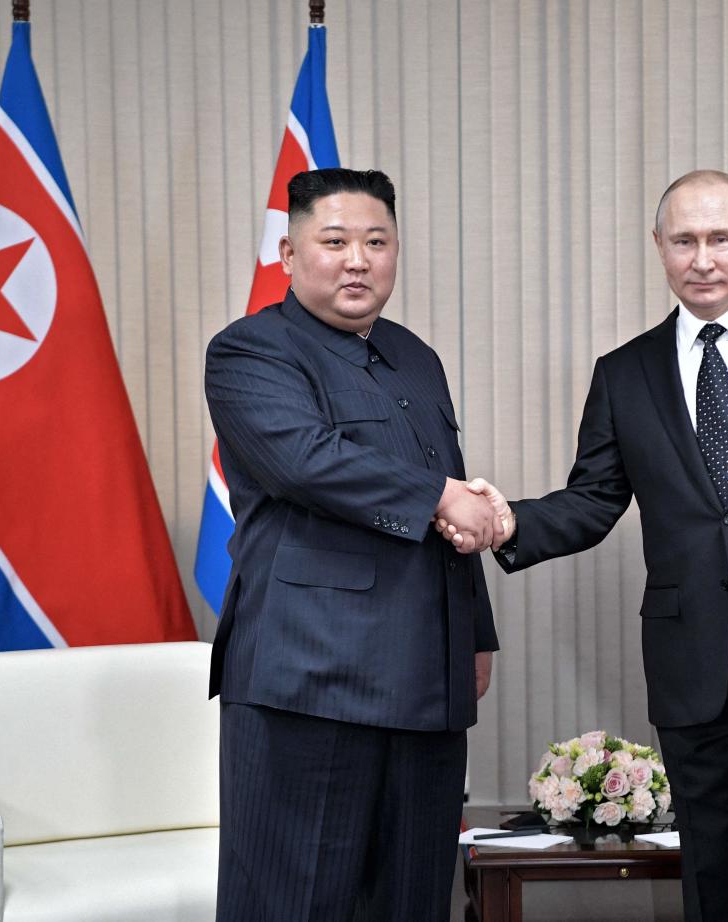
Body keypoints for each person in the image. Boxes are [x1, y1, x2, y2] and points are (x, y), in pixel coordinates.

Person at [440, 170, 728, 921]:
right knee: (714, 869)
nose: (703, 258)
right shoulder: (625, 373)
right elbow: (593, 502)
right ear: (658, 247)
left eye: (720, 238)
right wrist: (510, 521)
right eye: (684, 240)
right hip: (691, 657)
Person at [205, 167, 500, 922]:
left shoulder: (416, 357)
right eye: (334, 241)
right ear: (288, 252)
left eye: (377, 241)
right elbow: (306, 460)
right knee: (294, 900)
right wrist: (440, 497)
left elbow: (453, 493)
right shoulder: (248, 352)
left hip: (427, 677)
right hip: (309, 678)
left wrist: (478, 634)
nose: (358, 260)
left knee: (412, 898)